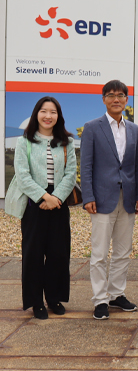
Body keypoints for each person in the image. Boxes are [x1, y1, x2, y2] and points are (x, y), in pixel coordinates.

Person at [81, 80, 138, 320]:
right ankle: (100, 299)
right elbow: (86, 166)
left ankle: (117, 294)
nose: (116, 99)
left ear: (127, 100)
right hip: (101, 198)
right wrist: (88, 196)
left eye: (120, 95)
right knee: (99, 253)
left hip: (128, 198)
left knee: (122, 250)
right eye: (110, 95)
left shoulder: (135, 130)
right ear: (103, 99)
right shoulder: (92, 127)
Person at [14, 96, 76, 319]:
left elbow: (70, 174)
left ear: (58, 116)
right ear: (36, 114)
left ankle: (53, 297)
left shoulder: (66, 142)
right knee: (33, 254)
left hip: (59, 204)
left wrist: (56, 197)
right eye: (44, 111)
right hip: (34, 204)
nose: (48, 116)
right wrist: (43, 197)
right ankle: (35, 301)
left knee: (59, 253)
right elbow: (22, 175)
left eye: (53, 112)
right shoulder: (25, 142)